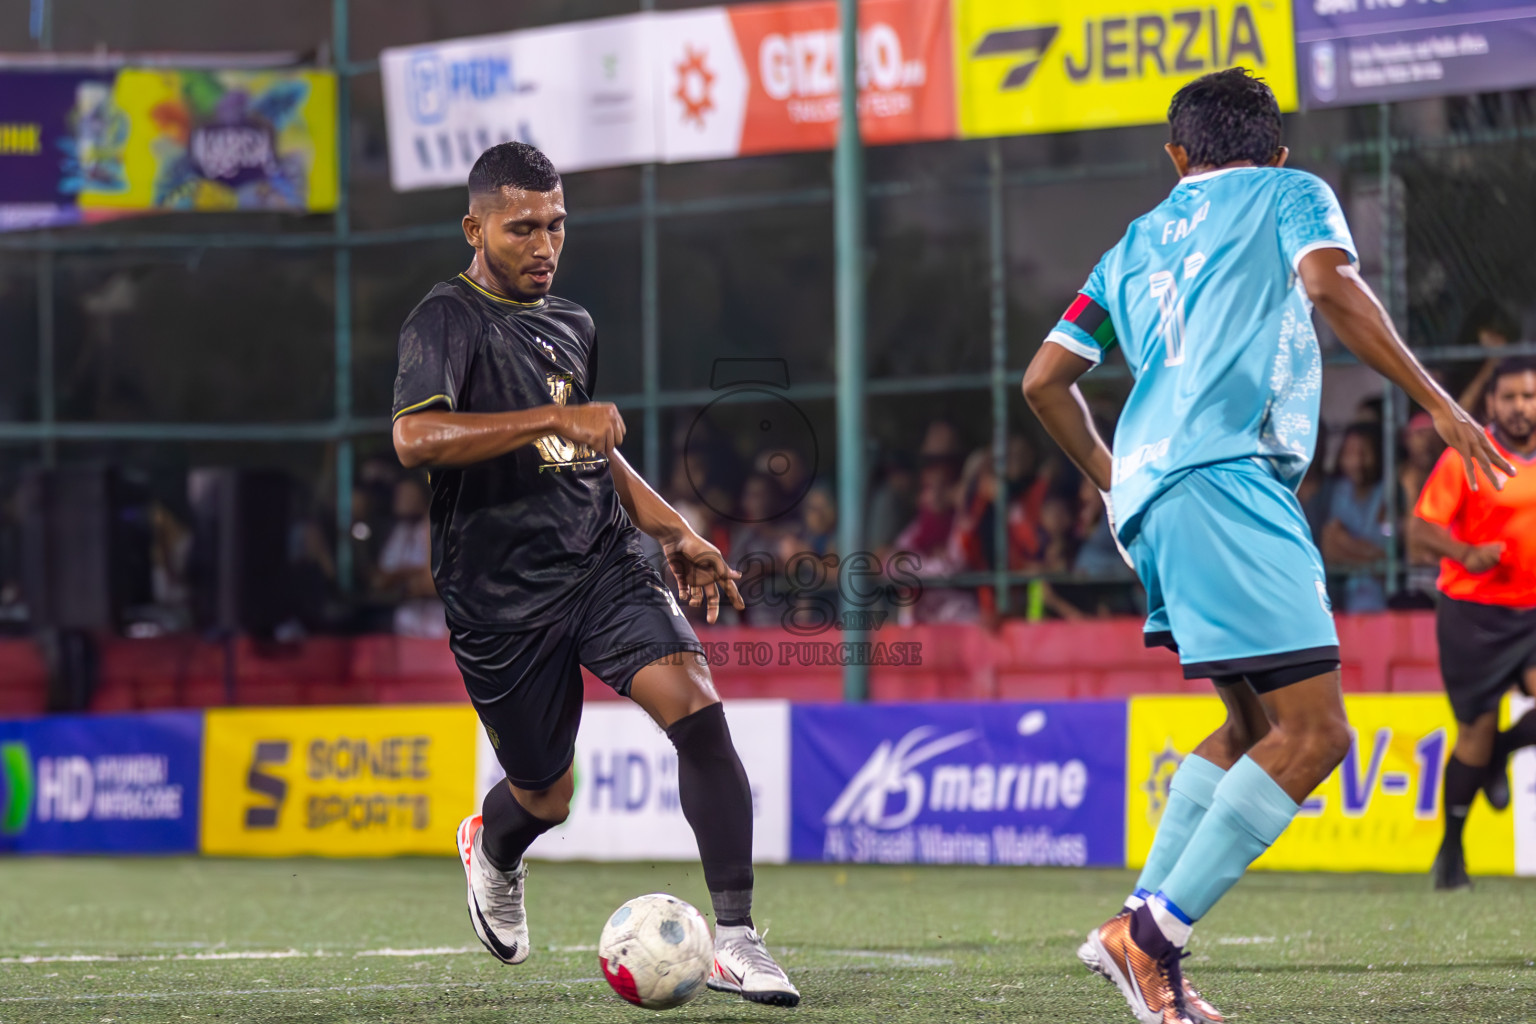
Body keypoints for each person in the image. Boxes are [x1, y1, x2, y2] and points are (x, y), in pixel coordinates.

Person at [1021, 68, 1509, 1024]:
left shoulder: (1132, 242)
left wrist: (1117, 478)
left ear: (1176, 155)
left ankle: (1130, 922)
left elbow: (1044, 380)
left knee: (1252, 728)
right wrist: (1441, 404)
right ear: (1277, 149)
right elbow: (1330, 282)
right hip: (1227, 485)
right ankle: (1151, 937)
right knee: (1319, 734)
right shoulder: (1290, 192)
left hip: (1154, 502)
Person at [389, 142, 798, 1005]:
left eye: (557, 225)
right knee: (545, 794)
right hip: (499, 596)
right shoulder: (444, 321)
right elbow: (415, 439)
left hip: (602, 563)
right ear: (475, 228)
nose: (544, 245)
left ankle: (737, 940)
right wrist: (556, 416)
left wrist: (672, 527)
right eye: (522, 228)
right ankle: (494, 847)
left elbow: (585, 452)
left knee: (698, 709)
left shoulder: (572, 323)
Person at [1410, 357, 1536, 890]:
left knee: (1492, 742)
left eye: (1529, 396)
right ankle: (1451, 853)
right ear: (1491, 404)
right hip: (1472, 612)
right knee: (1475, 733)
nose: (1520, 407)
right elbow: (1419, 531)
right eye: (1509, 397)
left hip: (1531, 611)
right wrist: (1465, 550)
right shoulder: (1468, 454)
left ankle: (1501, 756)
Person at [1319, 424, 1387, 612]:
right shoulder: (1341, 490)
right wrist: (1372, 559)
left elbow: (1388, 556)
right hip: (1347, 603)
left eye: (1364, 453)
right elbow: (1330, 547)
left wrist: (1347, 547)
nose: (1357, 461)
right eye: (1350, 453)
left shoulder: (1387, 492)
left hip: (1383, 603)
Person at [374, 475, 448, 638]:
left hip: (437, 626)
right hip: (405, 625)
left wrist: (403, 579)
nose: (400, 499)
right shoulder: (399, 532)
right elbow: (381, 580)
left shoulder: (437, 527)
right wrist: (414, 575)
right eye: (399, 494)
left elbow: (432, 582)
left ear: (422, 496)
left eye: (407, 494)